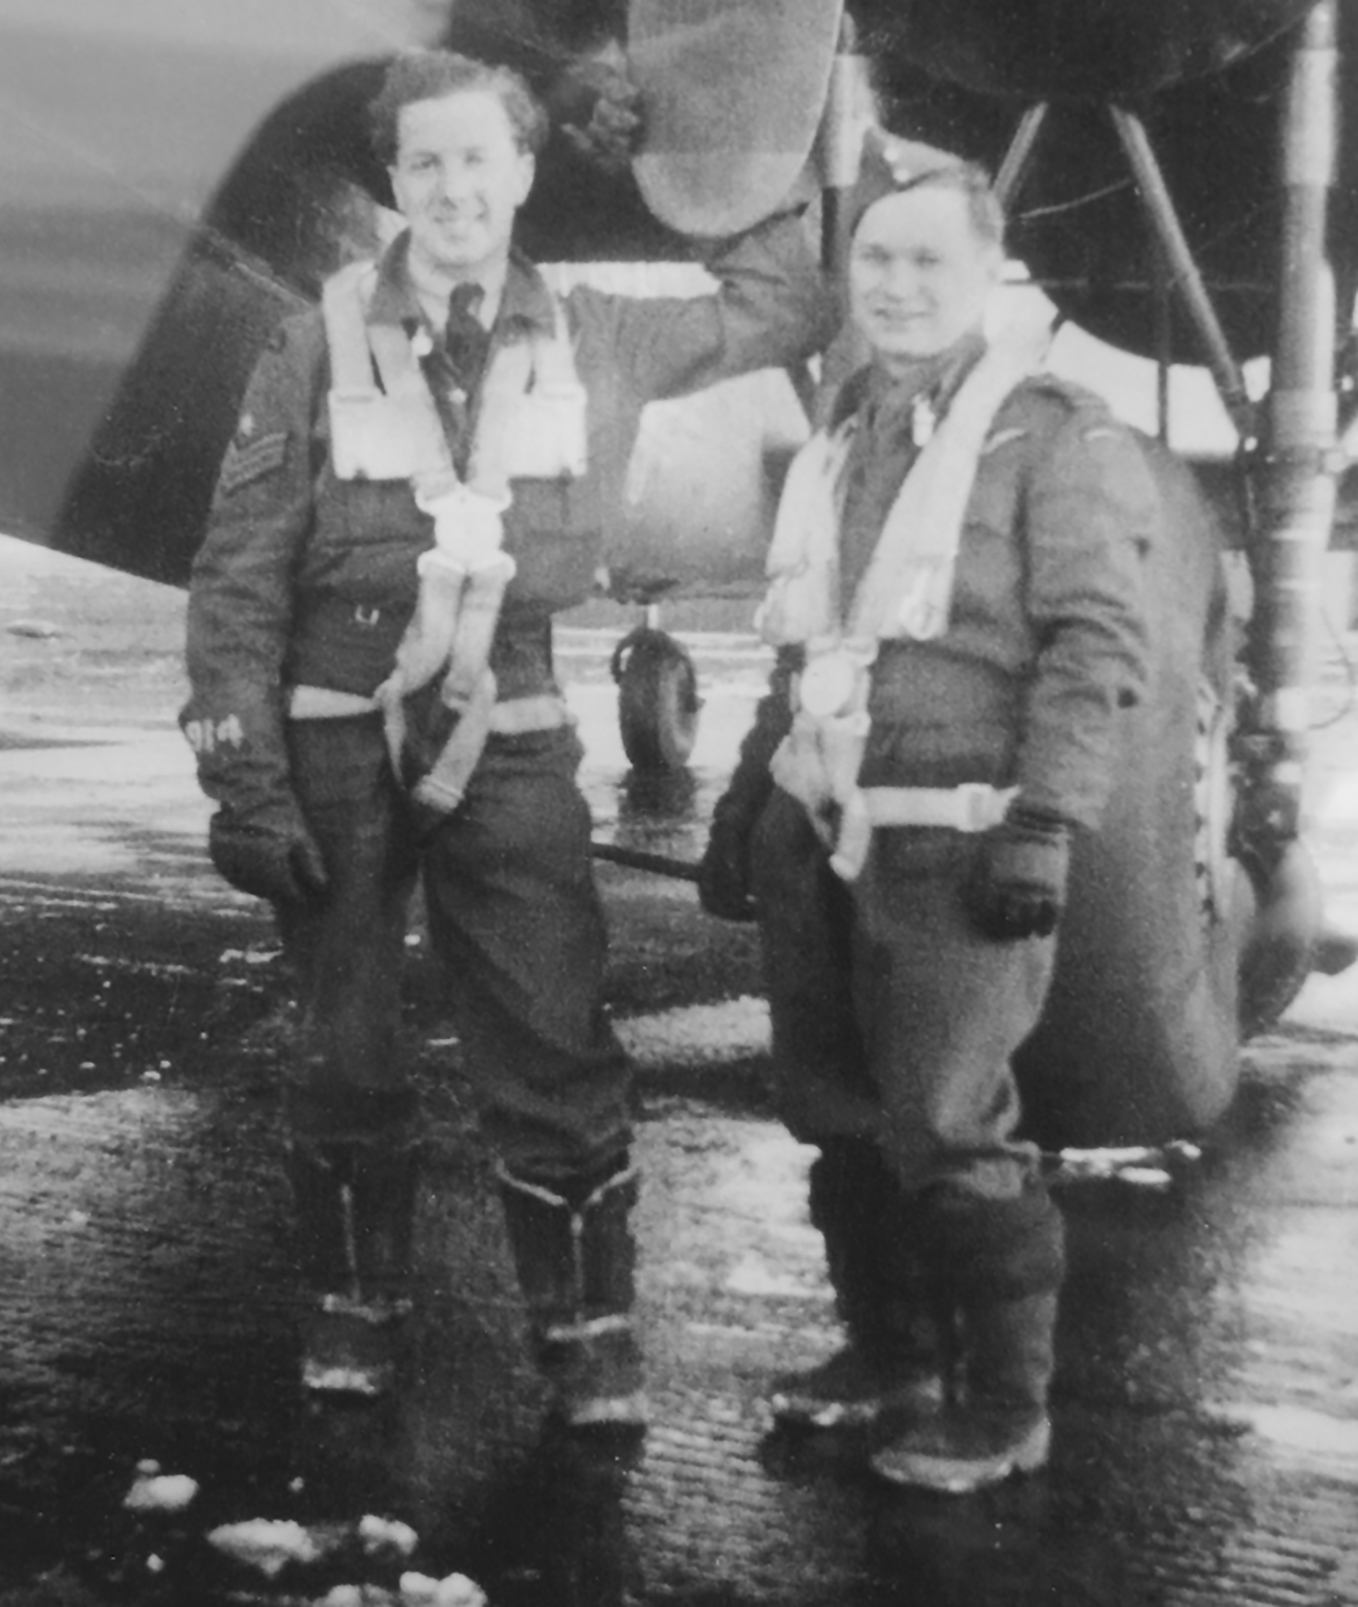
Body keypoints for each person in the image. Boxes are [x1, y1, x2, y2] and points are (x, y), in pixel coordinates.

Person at [181, 47, 831, 1424]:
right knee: (342, 1046)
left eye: (480, 157)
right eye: (424, 161)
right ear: (393, 179)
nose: (454, 188)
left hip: (515, 727)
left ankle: (589, 1336)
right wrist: (246, 783)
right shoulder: (311, 344)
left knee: (552, 1036)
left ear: (526, 171)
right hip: (337, 732)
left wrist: (707, 144)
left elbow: (782, 302)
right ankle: (353, 1314)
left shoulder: (601, 334)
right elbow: (236, 572)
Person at [698, 131, 1155, 1492]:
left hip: (957, 837)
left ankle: (1006, 1406)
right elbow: (809, 645)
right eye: (877, 260)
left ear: (990, 272)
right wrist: (744, 799)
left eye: (927, 263)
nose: (896, 286)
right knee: (836, 1109)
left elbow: (1097, 645)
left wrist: (1045, 823)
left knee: (950, 1120)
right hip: (819, 825)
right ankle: (888, 1357)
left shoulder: (1052, 435)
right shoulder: (843, 434)